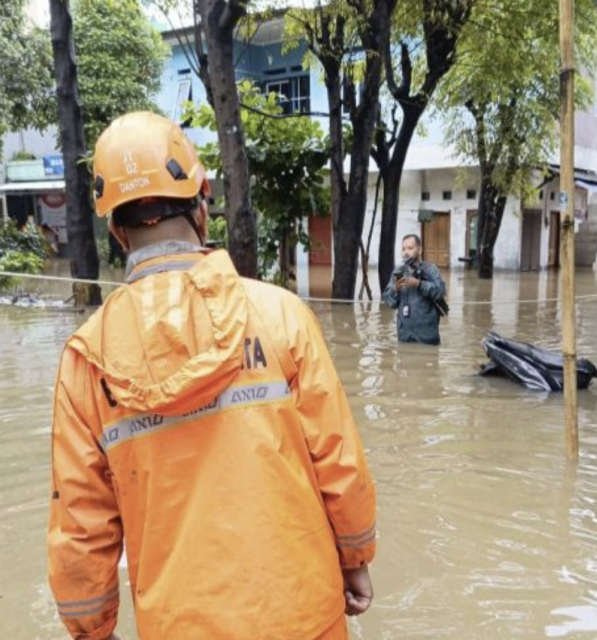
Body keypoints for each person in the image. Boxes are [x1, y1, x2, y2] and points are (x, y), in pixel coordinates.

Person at [47, 112, 377, 640]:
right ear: (203, 203)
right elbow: (339, 462)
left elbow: (81, 524)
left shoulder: (87, 357)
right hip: (303, 616)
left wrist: (92, 628)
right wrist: (355, 556)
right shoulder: (281, 315)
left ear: (114, 229)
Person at [383, 234, 447, 345]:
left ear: (419, 250)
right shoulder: (398, 272)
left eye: (410, 248)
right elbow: (390, 303)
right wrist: (395, 289)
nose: (406, 252)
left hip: (427, 338)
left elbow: (440, 292)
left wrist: (419, 284)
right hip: (404, 338)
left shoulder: (431, 270)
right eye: (403, 249)